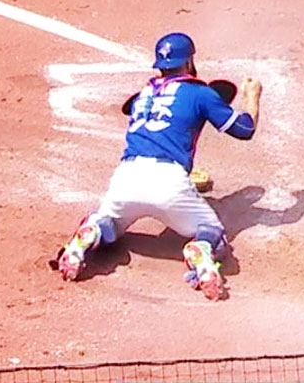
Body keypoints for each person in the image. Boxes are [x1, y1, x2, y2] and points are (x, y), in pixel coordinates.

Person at [53, 32, 262, 301]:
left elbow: (131, 108)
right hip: (169, 183)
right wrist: (251, 98)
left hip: (125, 179)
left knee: (109, 222)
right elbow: (244, 130)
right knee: (213, 232)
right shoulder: (200, 93)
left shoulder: (143, 94)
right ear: (189, 62)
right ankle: (201, 248)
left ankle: (90, 233)